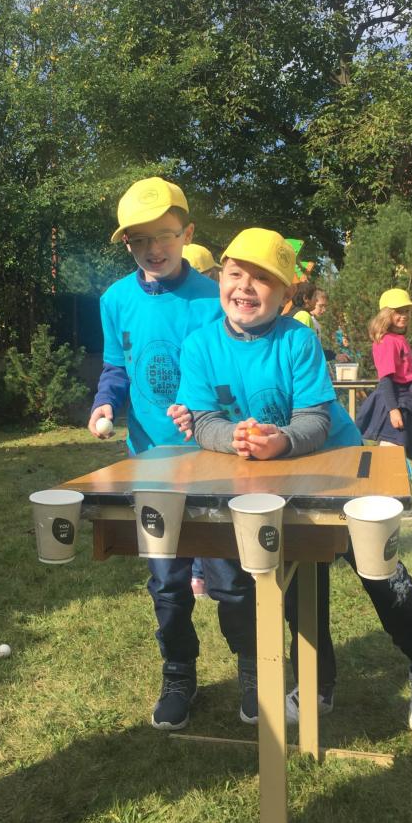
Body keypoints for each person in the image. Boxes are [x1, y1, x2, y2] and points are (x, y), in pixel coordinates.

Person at [172, 235, 412, 733]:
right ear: (221, 279)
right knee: (301, 588)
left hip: (339, 468)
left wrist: (281, 440)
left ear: (285, 295)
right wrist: (230, 437)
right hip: (272, 481)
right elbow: (203, 420)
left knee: (378, 571)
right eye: (236, 274)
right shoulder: (199, 345)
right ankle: (316, 682)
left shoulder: (297, 339)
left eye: (262, 278)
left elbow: (316, 420)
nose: (245, 287)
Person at [88, 177, 256, 732]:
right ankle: (179, 673)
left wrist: (213, 414)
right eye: (138, 240)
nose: (151, 248)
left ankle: (252, 669)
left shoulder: (213, 299)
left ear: (187, 233)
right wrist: (105, 402)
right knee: (166, 580)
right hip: (151, 462)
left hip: (216, 460)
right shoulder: (115, 300)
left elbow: (233, 368)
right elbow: (116, 368)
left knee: (230, 579)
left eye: (163, 235)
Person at [181, 242, 222, 599]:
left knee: (202, 504)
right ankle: (199, 573)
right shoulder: (200, 338)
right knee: (202, 505)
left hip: (214, 430)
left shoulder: (218, 310)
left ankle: (200, 573)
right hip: (194, 427)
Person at [356, 289, 412, 462]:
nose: (404, 315)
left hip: (405, 399)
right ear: (386, 314)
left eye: (407, 311)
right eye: (399, 311)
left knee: (399, 459)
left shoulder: (398, 339)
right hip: (395, 401)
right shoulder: (387, 341)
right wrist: (393, 410)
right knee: (390, 458)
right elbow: (386, 379)